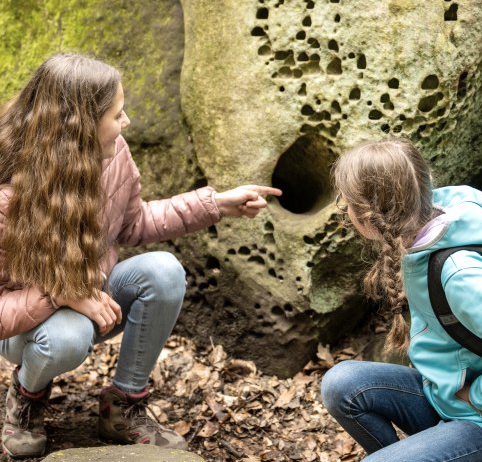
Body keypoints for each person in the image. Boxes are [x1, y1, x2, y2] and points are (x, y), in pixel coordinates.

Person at [0, 52, 282, 458]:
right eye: (117, 115)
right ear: (78, 126)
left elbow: (133, 224)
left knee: (163, 270)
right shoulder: (8, 193)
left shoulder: (112, 153)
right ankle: (27, 397)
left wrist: (216, 204)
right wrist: (60, 294)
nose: (126, 122)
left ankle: (123, 407)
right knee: (67, 336)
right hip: (28, 326)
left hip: (94, 296)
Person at [321, 138, 482, 462]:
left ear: (371, 214)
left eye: (345, 203)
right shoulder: (426, 228)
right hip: (445, 394)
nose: (345, 211)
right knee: (341, 384)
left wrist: (479, 395)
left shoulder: (460, 276)